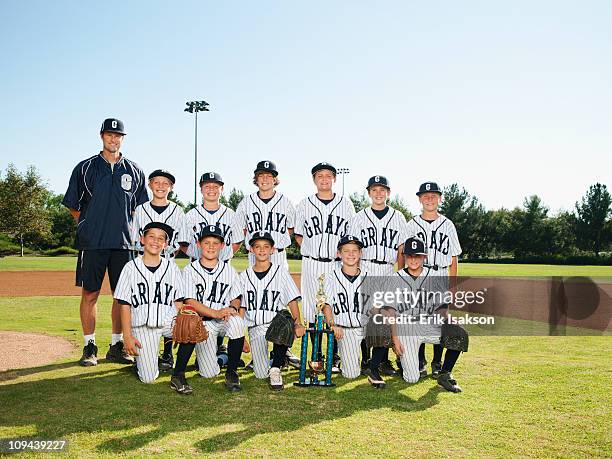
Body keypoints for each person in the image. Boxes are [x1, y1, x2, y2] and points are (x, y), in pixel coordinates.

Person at [62, 118, 148, 367]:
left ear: (123, 138)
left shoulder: (134, 170)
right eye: (109, 134)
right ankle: (89, 345)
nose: (113, 139)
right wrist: (88, 223)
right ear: (101, 136)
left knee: (122, 297)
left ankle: (116, 344)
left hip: (124, 244)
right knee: (90, 294)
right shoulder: (85, 167)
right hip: (93, 243)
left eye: (118, 135)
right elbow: (73, 206)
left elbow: (140, 211)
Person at [295, 162, 355, 373]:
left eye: (328, 175)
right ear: (314, 180)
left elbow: (350, 237)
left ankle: (334, 354)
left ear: (334, 179)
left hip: (336, 263)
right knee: (312, 309)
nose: (324, 179)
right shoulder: (304, 204)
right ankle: (315, 353)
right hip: (311, 262)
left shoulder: (345, 204)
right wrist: (312, 251)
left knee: (335, 307)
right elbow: (299, 234)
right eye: (320, 176)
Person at [229, 231, 305, 390]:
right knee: (260, 373)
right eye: (257, 247)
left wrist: (298, 323)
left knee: (286, 319)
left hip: (276, 323)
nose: (262, 250)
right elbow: (242, 307)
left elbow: (291, 301)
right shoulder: (244, 276)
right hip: (255, 326)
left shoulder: (281, 272)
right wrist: (241, 335)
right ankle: (278, 360)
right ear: (251, 250)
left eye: (266, 246)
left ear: (272, 249)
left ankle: (277, 367)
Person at [348, 175, 408, 375]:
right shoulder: (359, 217)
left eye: (382, 190)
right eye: (374, 190)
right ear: (369, 193)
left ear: (388, 193)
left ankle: (382, 360)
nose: (379, 194)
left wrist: (400, 275)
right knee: (366, 315)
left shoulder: (398, 217)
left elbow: (401, 250)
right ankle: (366, 359)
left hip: (388, 270)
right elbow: (353, 248)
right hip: (365, 268)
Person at [174, 225, 245, 393]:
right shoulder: (190, 270)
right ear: (199, 245)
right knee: (208, 373)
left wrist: (233, 308)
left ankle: (232, 372)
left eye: (215, 243)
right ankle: (223, 358)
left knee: (238, 323)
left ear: (222, 246)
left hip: (224, 320)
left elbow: (236, 296)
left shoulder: (229, 270)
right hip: (202, 324)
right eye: (207, 242)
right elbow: (190, 300)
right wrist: (216, 313)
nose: (211, 246)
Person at [114, 222, 185, 386]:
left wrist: (182, 323)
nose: (156, 241)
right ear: (142, 239)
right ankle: (143, 363)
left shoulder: (172, 268)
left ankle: (178, 372)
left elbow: (179, 301)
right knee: (148, 378)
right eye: (151, 236)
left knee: (190, 328)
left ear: (165, 244)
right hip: (142, 326)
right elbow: (124, 304)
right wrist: (127, 336)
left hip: (167, 321)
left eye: (161, 238)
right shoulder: (130, 268)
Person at [131, 169, 187, 372]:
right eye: (157, 182)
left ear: (171, 188)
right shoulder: (141, 209)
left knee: (170, 306)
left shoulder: (178, 211)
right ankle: (142, 352)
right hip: (143, 264)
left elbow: (182, 241)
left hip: (168, 263)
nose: (161, 186)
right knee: (142, 305)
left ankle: (167, 353)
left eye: (166, 183)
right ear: (150, 185)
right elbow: (134, 238)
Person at [403, 182, 462, 378]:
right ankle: (420, 361)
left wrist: (452, 285)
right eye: (425, 196)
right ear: (420, 199)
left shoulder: (448, 224)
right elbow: (403, 254)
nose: (429, 199)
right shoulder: (411, 225)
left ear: (440, 199)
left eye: (433, 196)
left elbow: (453, 258)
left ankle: (438, 363)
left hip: (440, 276)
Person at [390, 237, 463, 392]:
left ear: (424, 256)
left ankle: (445, 374)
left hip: (429, 326)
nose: (413, 260)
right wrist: (395, 339)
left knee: (458, 333)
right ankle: (404, 360)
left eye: (417, 256)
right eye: (409, 255)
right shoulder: (395, 278)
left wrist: (449, 319)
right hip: (407, 330)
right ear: (404, 257)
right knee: (412, 379)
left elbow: (442, 306)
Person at [321, 236, 372, 382]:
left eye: (355, 251)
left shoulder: (369, 276)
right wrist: (332, 324)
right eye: (346, 251)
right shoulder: (330, 277)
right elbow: (326, 304)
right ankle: (356, 361)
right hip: (345, 329)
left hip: (366, 327)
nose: (351, 254)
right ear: (339, 254)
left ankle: (373, 365)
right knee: (351, 374)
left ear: (361, 253)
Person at [234, 161, 295, 271]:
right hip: (255, 257)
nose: (265, 179)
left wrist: (279, 241)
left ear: (274, 179)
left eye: (269, 176)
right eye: (261, 176)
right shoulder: (245, 203)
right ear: (256, 180)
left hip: (278, 256)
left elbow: (291, 227)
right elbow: (241, 229)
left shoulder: (286, 203)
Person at [184, 172, 243, 263]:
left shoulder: (232, 215)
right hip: (196, 265)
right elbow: (183, 243)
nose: (211, 189)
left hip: (224, 265)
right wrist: (197, 256)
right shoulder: (190, 215)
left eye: (216, 187)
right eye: (207, 186)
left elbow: (237, 241)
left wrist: (225, 255)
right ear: (201, 190)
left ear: (222, 189)